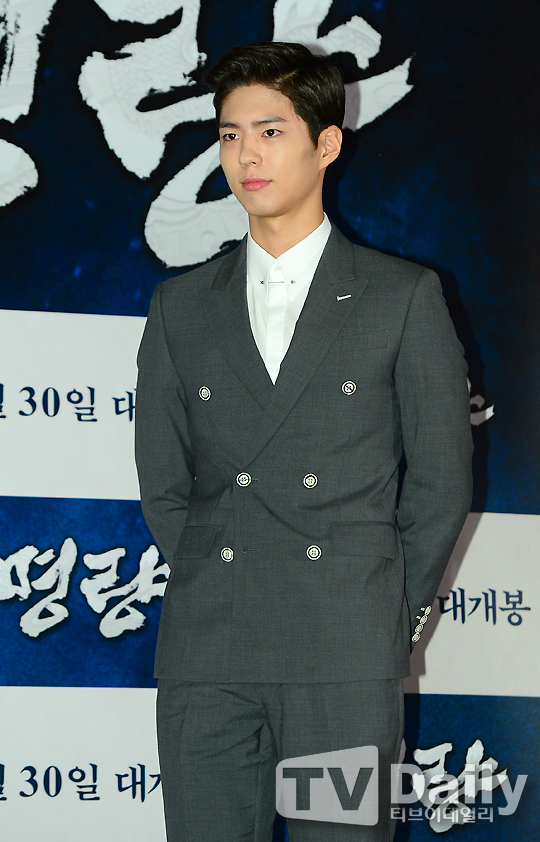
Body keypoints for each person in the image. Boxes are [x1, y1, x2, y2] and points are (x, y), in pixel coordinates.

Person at [135, 41, 473, 842]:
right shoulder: (181, 306)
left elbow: (440, 482)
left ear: (326, 143)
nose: (245, 155)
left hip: (342, 652)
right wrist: (215, 583)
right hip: (209, 655)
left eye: (270, 131)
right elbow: (164, 481)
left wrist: (382, 615)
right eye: (229, 135)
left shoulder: (400, 297)